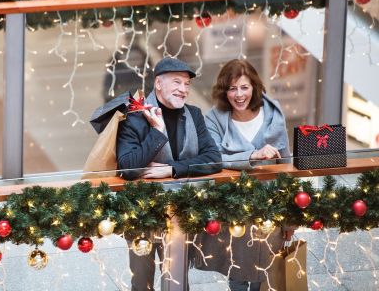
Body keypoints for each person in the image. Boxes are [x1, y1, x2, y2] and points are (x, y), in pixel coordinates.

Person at [116, 57, 222, 291]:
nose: (183, 90)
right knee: (141, 280)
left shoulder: (193, 115)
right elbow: (128, 168)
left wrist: (171, 169)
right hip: (142, 212)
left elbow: (214, 159)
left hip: (181, 210)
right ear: (158, 83)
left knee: (177, 279)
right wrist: (158, 131)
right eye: (177, 82)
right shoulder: (133, 116)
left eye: (186, 84)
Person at [193, 59, 293, 291]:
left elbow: (286, 168)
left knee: (265, 271)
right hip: (232, 207)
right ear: (224, 91)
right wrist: (252, 156)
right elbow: (213, 159)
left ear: (254, 87)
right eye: (232, 88)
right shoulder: (214, 117)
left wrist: (290, 218)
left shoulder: (273, 114)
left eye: (244, 87)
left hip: (270, 208)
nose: (239, 94)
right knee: (235, 270)